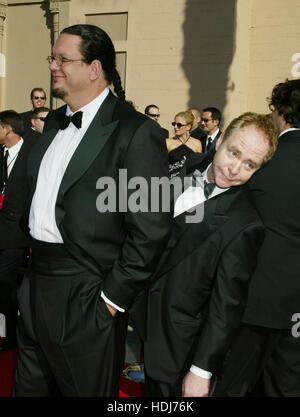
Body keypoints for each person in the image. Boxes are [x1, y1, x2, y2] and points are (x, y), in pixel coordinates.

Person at [14, 24, 171, 397]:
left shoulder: (138, 132)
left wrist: (110, 302)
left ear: (94, 68)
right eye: (52, 57)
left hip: (88, 292)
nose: (53, 65)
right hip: (36, 282)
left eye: (63, 59)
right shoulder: (53, 121)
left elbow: (152, 229)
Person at [144, 112, 278, 397]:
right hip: (139, 321)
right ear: (220, 141)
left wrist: (200, 370)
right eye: (234, 152)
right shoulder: (183, 164)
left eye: (249, 165)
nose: (234, 168)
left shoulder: (246, 225)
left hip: (178, 349)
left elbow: (226, 307)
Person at [212, 79, 300, 397]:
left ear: (280, 112)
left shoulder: (264, 158)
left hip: (254, 298)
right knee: (287, 386)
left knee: (233, 383)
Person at [0, 111, 35, 353]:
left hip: (18, 233)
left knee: (6, 286)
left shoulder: (31, 153)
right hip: (1, 228)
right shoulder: (1, 154)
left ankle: (12, 335)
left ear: (7, 129)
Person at [167, 110, 202, 178]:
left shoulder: (197, 143)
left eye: (179, 125)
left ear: (188, 127)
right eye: (174, 124)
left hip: (190, 184)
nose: (175, 127)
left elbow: (199, 168)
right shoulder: (167, 142)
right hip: (171, 183)